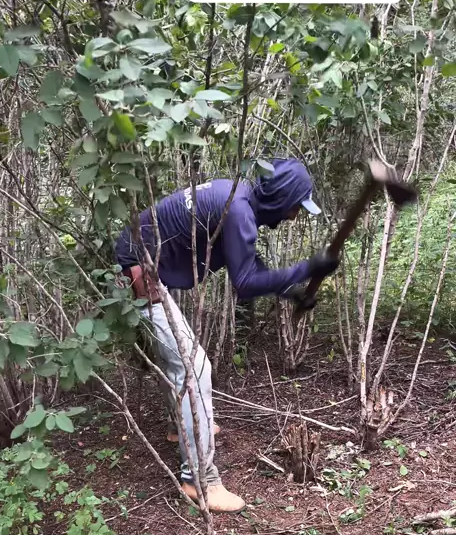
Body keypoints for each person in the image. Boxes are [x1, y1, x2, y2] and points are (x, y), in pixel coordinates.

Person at [115, 158, 339, 513]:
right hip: (138, 270)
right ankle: (199, 481)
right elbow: (245, 284)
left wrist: (292, 291)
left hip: (139, 260)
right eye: (296, 207)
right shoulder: (238, 211)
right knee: (194, 370)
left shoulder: (237, 200)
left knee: (178, 361)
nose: (294, 216)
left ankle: (180, 428)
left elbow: (247, 262)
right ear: (281, 198)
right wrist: (307, 268)